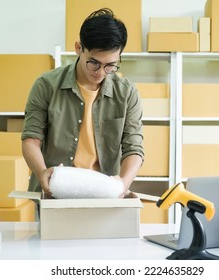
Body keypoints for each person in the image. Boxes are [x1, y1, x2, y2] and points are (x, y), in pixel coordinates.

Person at [21, 8, 144, 199]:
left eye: (110, 65)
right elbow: (31, 140)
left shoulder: (127, 93)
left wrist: (122, 184)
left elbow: (134, 148)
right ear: (79, 48)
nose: (101, 72)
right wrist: (41, 172)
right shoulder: (46, 85)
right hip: (55, 191)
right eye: (93, 62)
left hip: (104, 193)